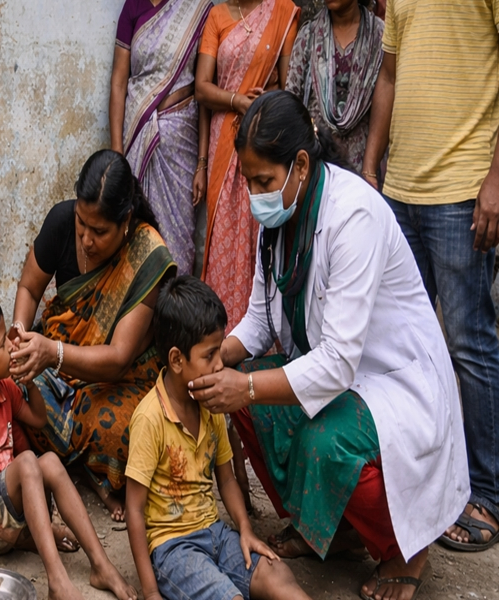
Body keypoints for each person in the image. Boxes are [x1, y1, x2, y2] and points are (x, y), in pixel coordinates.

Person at [190, 91, 469, 600]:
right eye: (248, 181)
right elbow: (257, 319)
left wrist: (245, 385)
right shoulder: (277, 220)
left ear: (300, 164)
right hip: (339, 373)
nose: (254, 196)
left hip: (395, 381)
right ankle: (334, 532)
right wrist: (215, 361)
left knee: (320, 442)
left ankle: (405, 551)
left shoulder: (352, 215)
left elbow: (339, 362)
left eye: (263, 182)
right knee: (252, 410)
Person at [363, 0, 499, 554]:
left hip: (463, 186)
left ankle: (488, 492)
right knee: (404, 345)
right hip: (401, 190)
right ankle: (429, 484)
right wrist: (372, 167)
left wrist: (495, 179)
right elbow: (389, 75)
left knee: (469, 346)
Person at [10, 150, 176, 521]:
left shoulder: (147, 255)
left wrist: (52, 352)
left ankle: (74, 459)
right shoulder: (60, 221)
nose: (85, 239)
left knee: (128, 430)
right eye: (81, 224)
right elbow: (29, 289)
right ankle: (80, 463)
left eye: (99, 231)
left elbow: (118, 358)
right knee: (10, 389)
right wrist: (21, 337)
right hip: (55, 364)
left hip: (119, 379)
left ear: (126, 221)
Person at [126, 276, 310, 600]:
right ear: (176, 360)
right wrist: (150, 590)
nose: (220, 363)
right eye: (209, 355)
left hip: (215, 533)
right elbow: (134, 508)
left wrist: (246, 529)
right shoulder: (150, 418)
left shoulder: (211, 404)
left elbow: (225, 479)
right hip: (174, 548)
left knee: (275, 572)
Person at [0, 297, 137, 600]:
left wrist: (29, 382)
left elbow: (38, 418)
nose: (11, 347)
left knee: (45, 460)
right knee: (30, 461)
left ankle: (101, 565)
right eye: (1, 345)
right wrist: (11, 535)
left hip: (10, 508)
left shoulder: (4, 389)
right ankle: (57, 580)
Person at [195, 0, 299, 330]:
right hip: (224, 141)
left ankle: (263, 333)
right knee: (223, 237)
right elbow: (202, 87)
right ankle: (220, 332)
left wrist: (263, 102)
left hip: (264, 139)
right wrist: (237, 101)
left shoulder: (283, 11)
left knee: (260, 232)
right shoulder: (217, 16)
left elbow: (289, 86)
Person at [109, 0, 214, 275]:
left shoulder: (198, 9)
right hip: (137, 138)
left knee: (179, 241)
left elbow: (203, 93)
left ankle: (176, 314)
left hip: (181, 140)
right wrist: (117, 153)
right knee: (136, 237)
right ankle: (139, 314)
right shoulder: (133, 7)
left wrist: (203, 162)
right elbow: (119, 83)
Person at [285, 0, 384, 174]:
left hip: (363, 166)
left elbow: (385, 103)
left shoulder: (379, 35)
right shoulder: (309, 36)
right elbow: (292, 101)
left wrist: (370, 169)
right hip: (317, 164)